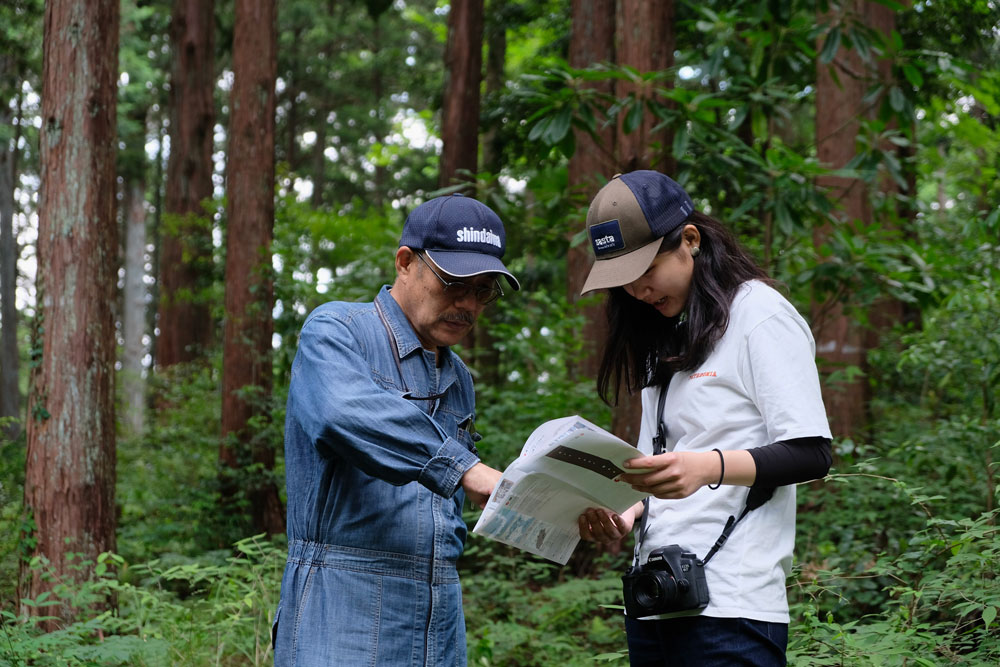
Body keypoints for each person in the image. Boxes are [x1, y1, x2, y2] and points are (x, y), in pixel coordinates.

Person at [575, 171, 832, 666]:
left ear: (689, 240)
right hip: (655, 599)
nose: (637, 290)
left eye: (644, 269)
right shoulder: (668, 335)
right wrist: (625, 511)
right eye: (622, 280)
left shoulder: (759, 315)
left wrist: (706, 467)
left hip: (732, 607)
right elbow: (659, 462)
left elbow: (812, 452)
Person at [272, 193, 519, 666]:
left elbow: (447, 508)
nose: (467, 304)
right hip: (343, 604)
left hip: (439, 609)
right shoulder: (338, 331)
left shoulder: (458, 376)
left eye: (483, 290)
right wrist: (464, 468)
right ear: (406, 263)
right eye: (453, 283)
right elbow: (343, 413)